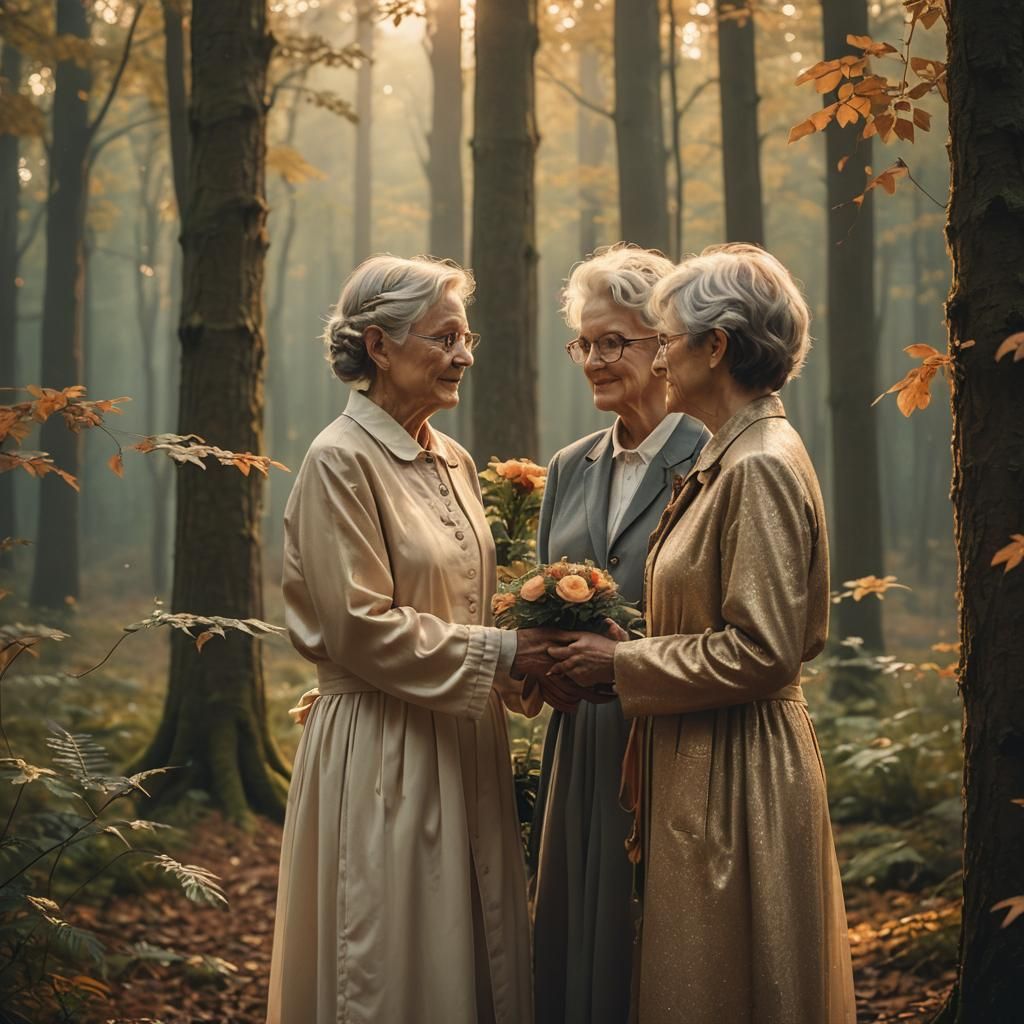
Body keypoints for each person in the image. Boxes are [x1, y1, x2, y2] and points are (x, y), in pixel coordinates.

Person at [546, 244, 857, 1023]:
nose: (659, 359)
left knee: (728, 982)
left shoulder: (759, 464)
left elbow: (765, 648)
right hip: (700, 756)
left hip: (739, 767)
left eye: (668, 339)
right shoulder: (733, 453)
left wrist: (623, 662)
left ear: (715, 346)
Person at [266, 255, 552, 1024]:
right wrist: (506, 656)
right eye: (444, 337)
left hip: (465, 743)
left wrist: (539, 664)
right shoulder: (339, 460)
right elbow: (358, 627)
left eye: (468, 337)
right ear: (379, 346)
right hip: (383, 748)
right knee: (393, 963)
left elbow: (463, 607)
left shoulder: (452, 459)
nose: (463, 354)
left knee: (475, 950)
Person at [531, 244, 709, 1024]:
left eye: (614, 343)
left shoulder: (710, 456)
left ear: (665, 345)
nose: (594, 362)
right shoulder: (569, 466)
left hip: (671, 741)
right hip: (578, 744)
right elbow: (540, 600)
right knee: (574, 941)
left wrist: (626, 664)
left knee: (657, 946)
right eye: (585, 344)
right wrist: (540, 665)